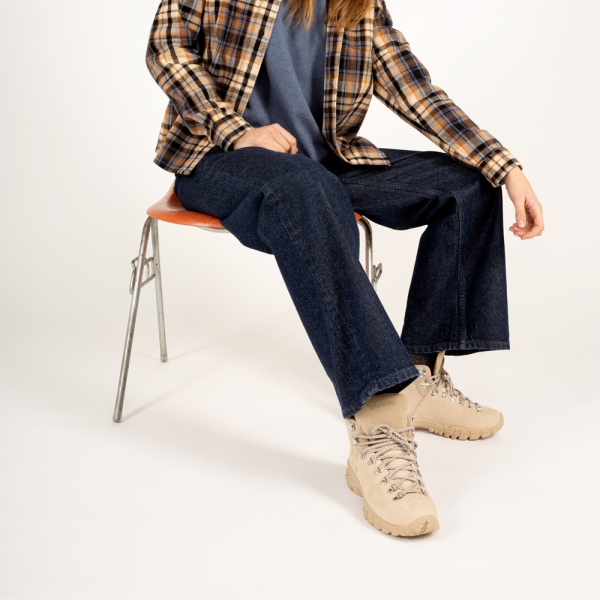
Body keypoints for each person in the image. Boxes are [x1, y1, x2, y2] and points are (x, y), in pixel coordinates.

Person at [145, 0, 544, 537]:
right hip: (217, 159)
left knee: (469, 183)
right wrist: (234, 129)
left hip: (325, 167)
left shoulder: (359, 5)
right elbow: (167, 50)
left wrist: (505, 165)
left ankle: (420, 380)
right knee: (304, 189)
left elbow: (415, 89)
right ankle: (378, 422)